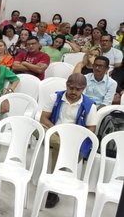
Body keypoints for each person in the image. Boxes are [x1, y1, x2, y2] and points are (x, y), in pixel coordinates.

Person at [40, 73, 97, 208]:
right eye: (71, 88)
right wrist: (56, 130)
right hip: (54, 132)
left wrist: (74, 137)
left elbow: (91, 128)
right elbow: (43, 118)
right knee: (38, 129)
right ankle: (55, 185)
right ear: (66, 85)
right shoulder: (55, 97)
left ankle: (53, 189)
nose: (73, 92)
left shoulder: (89, 105)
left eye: (78, 89)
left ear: (83, 89)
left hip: (75, 138)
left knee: (63, 147)